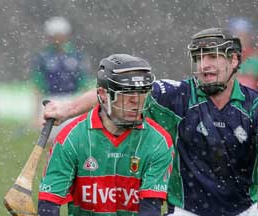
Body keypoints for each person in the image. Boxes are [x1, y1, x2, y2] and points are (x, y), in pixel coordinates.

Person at [43, 28, 258, 216]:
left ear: (234, 60)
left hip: (247, 210)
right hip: (187, 211)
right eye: (199, 58)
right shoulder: (178, 95)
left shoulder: (254, 106)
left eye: (213, 57)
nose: (204, 65)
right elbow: (115, 88)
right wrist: (66, 110)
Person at [38, 54, 174, 216]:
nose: (136, 101)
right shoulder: (71, 138)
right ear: (102, 94)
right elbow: (49, 204)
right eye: (126, 92)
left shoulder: (158, 142)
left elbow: (150, 209)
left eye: (142, 92)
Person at [30, 16, 91, 135]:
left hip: (72, 100)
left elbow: (84, 85)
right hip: (50, 100)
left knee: (72, 140)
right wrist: (35, 114)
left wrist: (86, 110)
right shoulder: (43, 57)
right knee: (48, 141)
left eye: (60, 34)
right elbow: (37, 86)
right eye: (54, 35)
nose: (57, 39)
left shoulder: (77, 56)